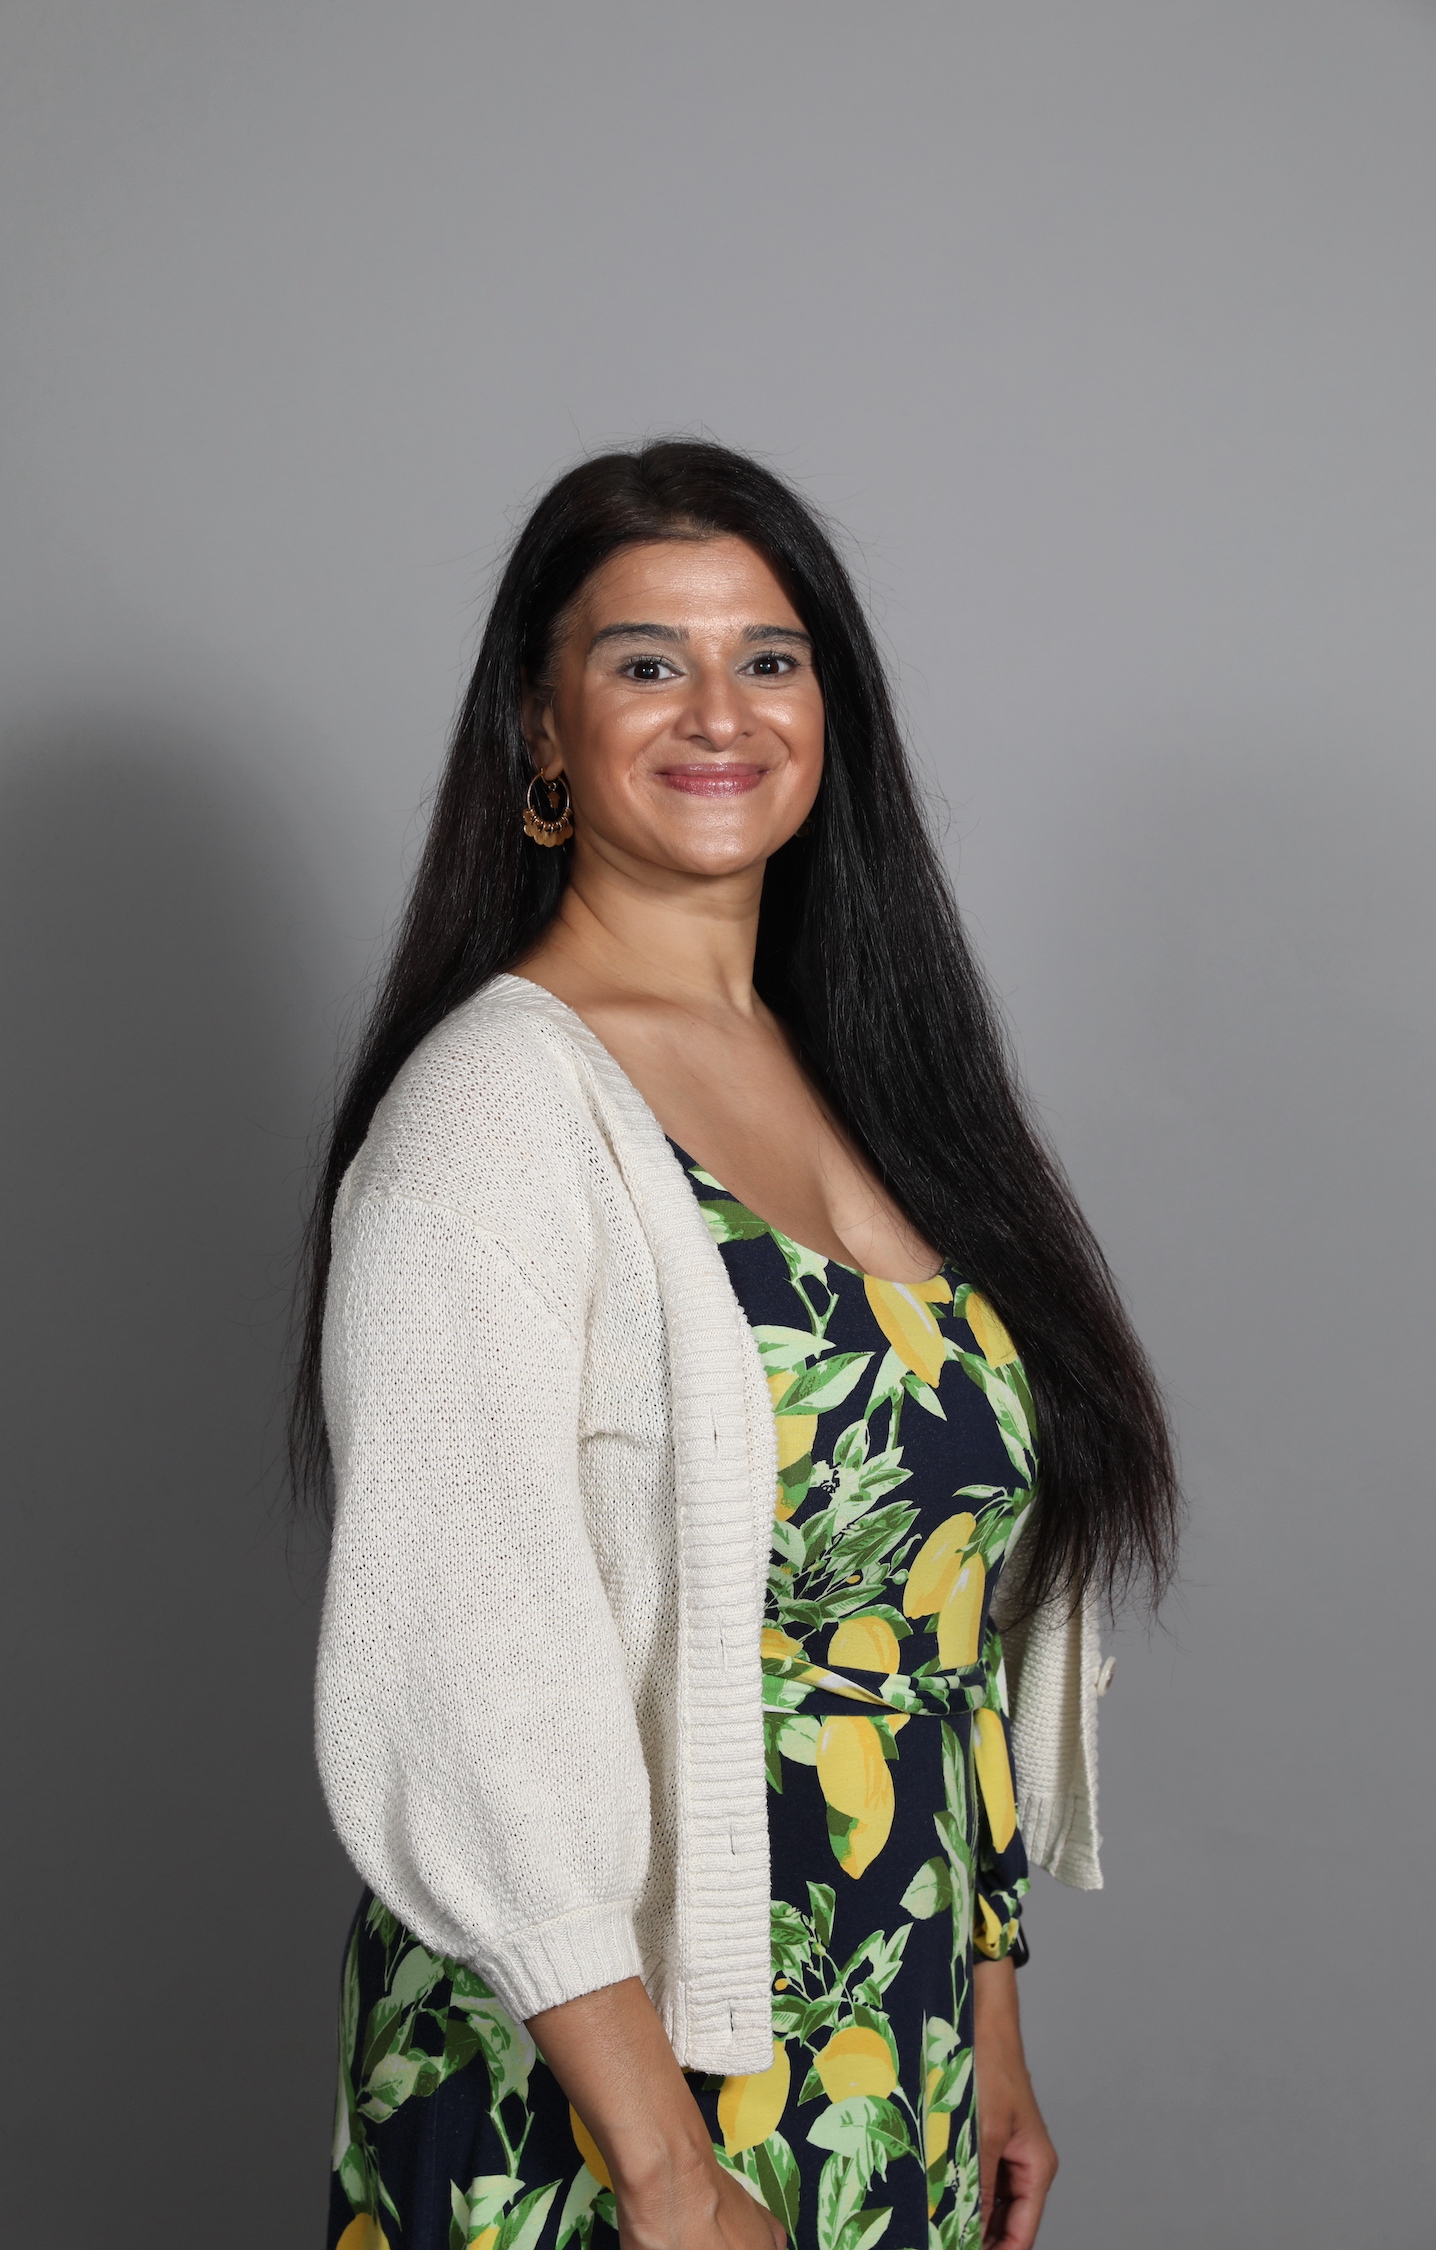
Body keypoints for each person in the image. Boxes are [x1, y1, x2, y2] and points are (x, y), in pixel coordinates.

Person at [295, 441, 1178, 2250]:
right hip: (605, 2081)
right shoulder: (494, 1117)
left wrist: (988, 2027)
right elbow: (462, 1673)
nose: (721, 711)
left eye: (770, 657)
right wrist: (667, 2169)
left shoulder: (872, 1078)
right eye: (647, 661)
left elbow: (943, 1638)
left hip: (882, 2045)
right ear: (540, 727)